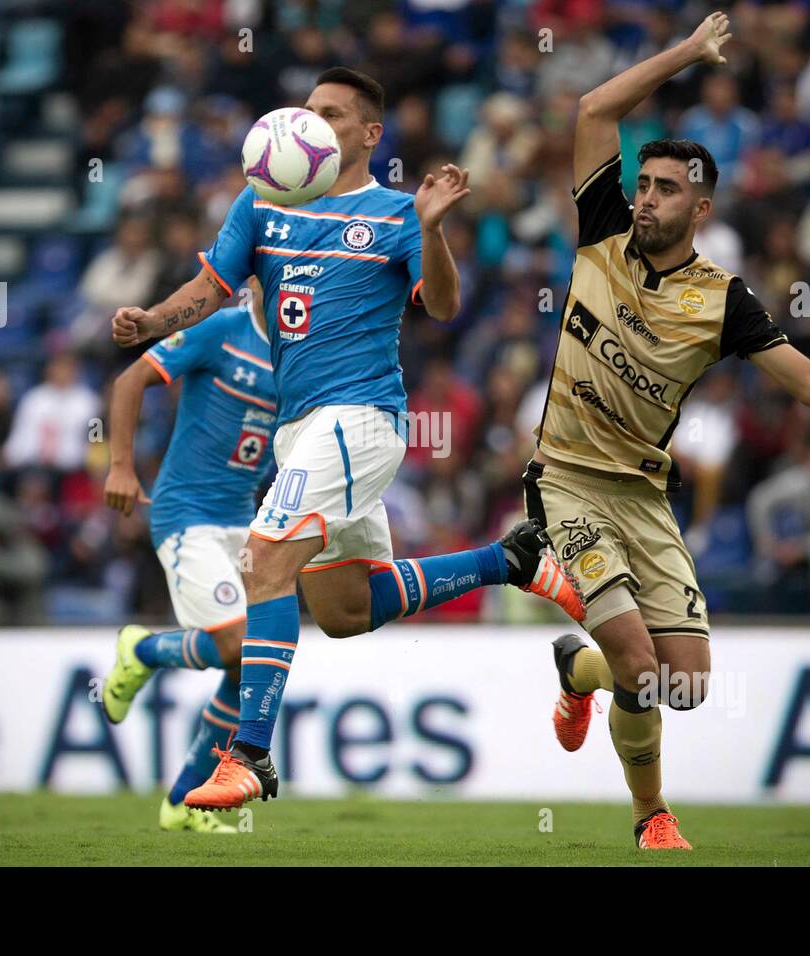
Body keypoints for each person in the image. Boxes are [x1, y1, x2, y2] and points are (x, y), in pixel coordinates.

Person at [524, 12, 810, 850]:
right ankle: (651, 817)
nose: (647, 199)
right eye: (645, 183)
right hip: (565, 477)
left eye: (667, 190)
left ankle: (577, 669)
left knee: (685, 684)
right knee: (640, 661)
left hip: (643, 491)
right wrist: (687, 54)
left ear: (700, 208)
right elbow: (594, 108)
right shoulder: (601, 231)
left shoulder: (724, 301)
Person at [110, 67, 585, 810]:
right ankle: (513, 559)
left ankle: (249, 756)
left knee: (267, 557)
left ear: (369, 134)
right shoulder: (261, 204)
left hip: (359, 418)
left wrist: (430, 231)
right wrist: (151, 321)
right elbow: (210, 289)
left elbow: (447, 307)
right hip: (300, 432)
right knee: (343, 611)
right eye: (307, 111)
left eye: (331, 114)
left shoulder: (396, 213)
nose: (312, 124)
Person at [99, 279, 276, 833]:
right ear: (256, 278)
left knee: (247, 665)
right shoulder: (221, 330)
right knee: (236, 642)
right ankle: (145, 651)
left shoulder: (300, 355)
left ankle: (183, 801)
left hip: (243, 524)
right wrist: (122, 466)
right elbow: (130, 381)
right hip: (187, 516)